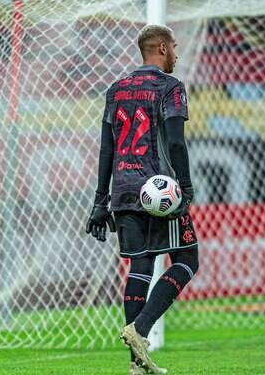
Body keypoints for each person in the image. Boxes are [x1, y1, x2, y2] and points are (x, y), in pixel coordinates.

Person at [86, 24, 199, 375]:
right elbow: (176, 142)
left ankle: (138, 365)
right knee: (187, 258)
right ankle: (140, 330)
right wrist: (185, 187)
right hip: (159, 192)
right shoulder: (170, 88)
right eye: (175, 47)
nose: (177, 54)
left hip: (122, 191)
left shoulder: (115, 90)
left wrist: (100, 201)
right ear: (162, 48)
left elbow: (107, 147)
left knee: (141, 266)